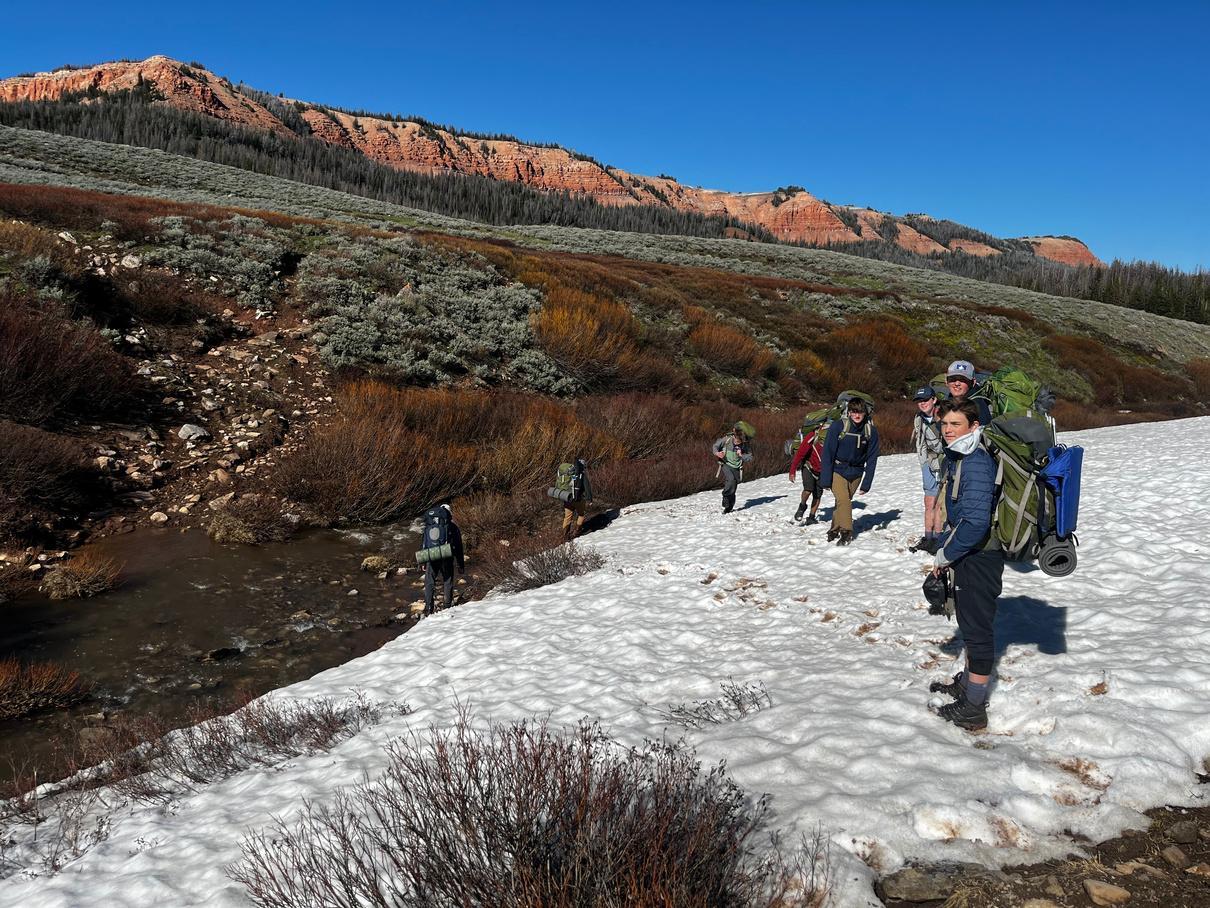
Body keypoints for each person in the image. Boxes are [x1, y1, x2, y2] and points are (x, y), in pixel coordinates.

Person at [928, 399, 1004, 731]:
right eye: (944, 424)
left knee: (977, 631)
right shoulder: (961, 456)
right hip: (969, 553)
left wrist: (945, 555)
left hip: (980, 556)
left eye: (955, 424)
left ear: (973, 426)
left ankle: (974, 708)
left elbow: (975, 523)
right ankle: (968, 686)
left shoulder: (974, 463)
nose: (947, 430)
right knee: (971, 626)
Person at [818, 398, 880, 546]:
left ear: (865, 413)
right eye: (854, 411)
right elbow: (828, 453)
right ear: (849, 412)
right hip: (837, 470)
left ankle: (834, 529)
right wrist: (825, 479)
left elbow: (872, 459)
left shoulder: (870, 431)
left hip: (856, 472)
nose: (857, 415)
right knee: (844, 500)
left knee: (842, 502)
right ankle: (846, 532)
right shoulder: (838, 426)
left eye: (860, 412)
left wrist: (866, 483)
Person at [909, 387, 946, 553]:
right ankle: (928, 538)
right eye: (919, 401)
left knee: (940, 504)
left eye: (925, 400)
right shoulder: (919, 418)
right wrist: (924, 464)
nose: (922, 403)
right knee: (929, 502)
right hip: (929, 465)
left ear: (934, 399)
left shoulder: (945, 416)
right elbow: (921, 442)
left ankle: (937, 539)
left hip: (945, 464)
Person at [423, 503, 465, 617]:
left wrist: (423, 561)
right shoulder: (452, 526)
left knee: (429, 581)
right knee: (447, 580)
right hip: (446, 554)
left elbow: (425, 542)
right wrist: (460, 565)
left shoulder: (429, 524)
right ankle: (447, 606)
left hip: (432, 554)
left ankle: (429, 608)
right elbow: (459, 547)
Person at [788, 423, 825, 524]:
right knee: (808, 490)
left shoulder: (833, 437)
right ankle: (802, 506)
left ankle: (811, 517)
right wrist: (792, 471)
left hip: (822, 471)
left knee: (818, 495)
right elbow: (800, 454)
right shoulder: (812, 436)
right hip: (809, 467)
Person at [713, 423, 753, 514]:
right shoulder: (726, 440)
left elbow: (750, 457)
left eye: (739, 442)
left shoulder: (745, 444)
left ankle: (729, 506)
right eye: (736, 441)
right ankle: (725, 497)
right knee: (731, 480)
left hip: (737, 467)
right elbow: (715, 446)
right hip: (725, 464)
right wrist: (717, 453)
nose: (737, 443)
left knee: (733, 486)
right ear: (734, 436)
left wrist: (741, 455)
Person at [944, 360, 992, 426]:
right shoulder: (948, 401)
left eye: (962, 380)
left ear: (973, 382)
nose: (957, 383)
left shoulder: (977, 407)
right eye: (952, 379)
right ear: (946, 382)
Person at [561, 458, 594, 540]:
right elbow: (587, 488)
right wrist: (589, 499)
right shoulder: (582, 475)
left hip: (567, 498)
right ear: (583, 466)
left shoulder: (569, 472)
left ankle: (565, 536)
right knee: (581, 515)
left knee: (567, 517)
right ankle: (577, 532)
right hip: (578, 499)